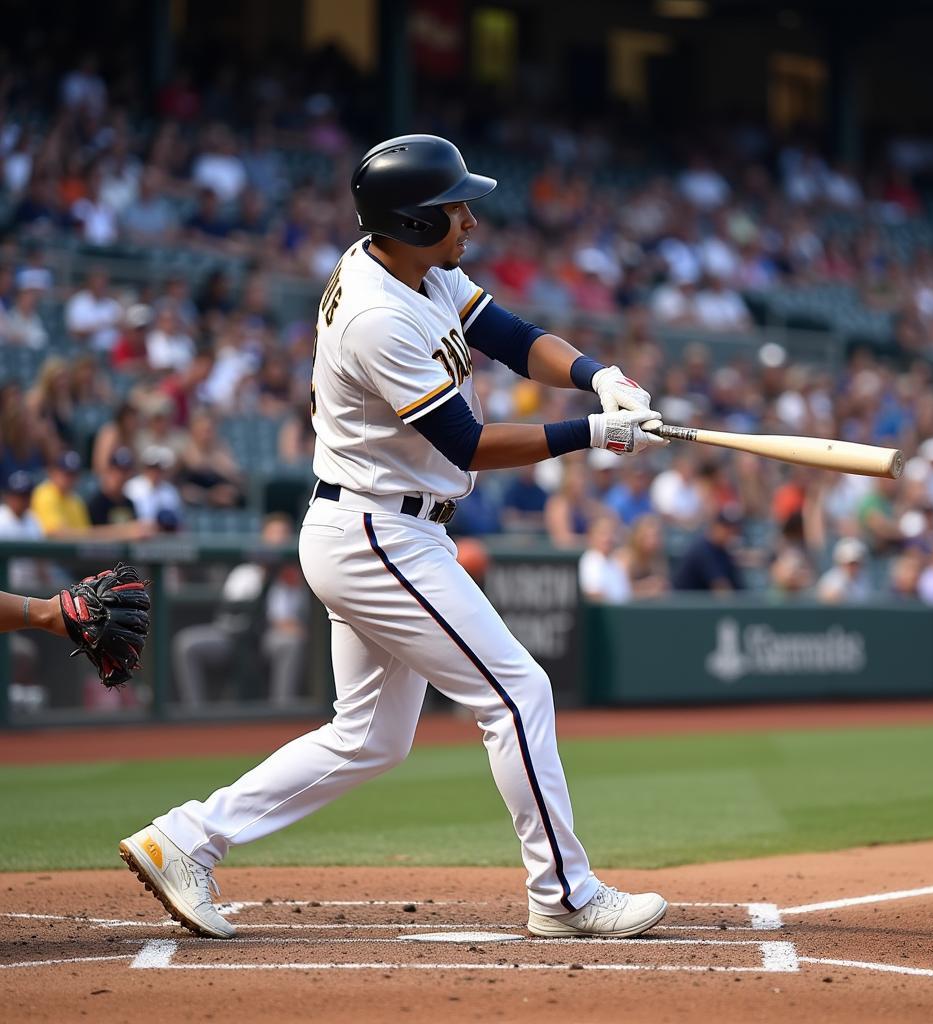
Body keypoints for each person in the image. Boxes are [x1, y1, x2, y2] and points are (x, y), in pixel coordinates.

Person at [120, 134, 669, 942]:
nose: (469, 220)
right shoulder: (379, 315)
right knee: (518, 694)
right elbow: (468, 442)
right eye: (453, 208)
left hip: (380, 526)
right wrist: (595, 435)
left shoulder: (412, 264)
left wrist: (598, 375)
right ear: (410, 223)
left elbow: (510, 336)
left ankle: (184, 840)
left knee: (369, 739)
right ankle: (565, 896)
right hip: (378, 532)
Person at [173, 515, 307, 708]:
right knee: (186, 643)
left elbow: (294, 622)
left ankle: (282, 711)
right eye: (274, 534)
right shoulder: (245, 572)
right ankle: (194, 713)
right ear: (263, 538)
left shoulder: (293, 579)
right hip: (231, 639)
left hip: (267, 641)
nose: (279, 540)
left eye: (284, 534)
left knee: (291, 643)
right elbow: (231, 618)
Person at [672, 505, 745, 592]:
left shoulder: (724, 551)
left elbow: (738, 587)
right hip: (683, 604)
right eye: (726, 528)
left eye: (734, 530)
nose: (730, 534)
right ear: (715, 526)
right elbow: (721, 590)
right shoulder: (702, 549)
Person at [578, 514, 631, 603]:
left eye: (611, 533)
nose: (608, 538)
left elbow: (625, 595)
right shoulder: (591, 560)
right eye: (603, 533)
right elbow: (593, 593)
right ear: (591, 536)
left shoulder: (616, 562)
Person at [816, 537, 871, 604]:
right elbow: (826, 598)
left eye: (856, 563)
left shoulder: (864, 578)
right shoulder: (830, 579)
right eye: (849, 563)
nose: (853, 567)